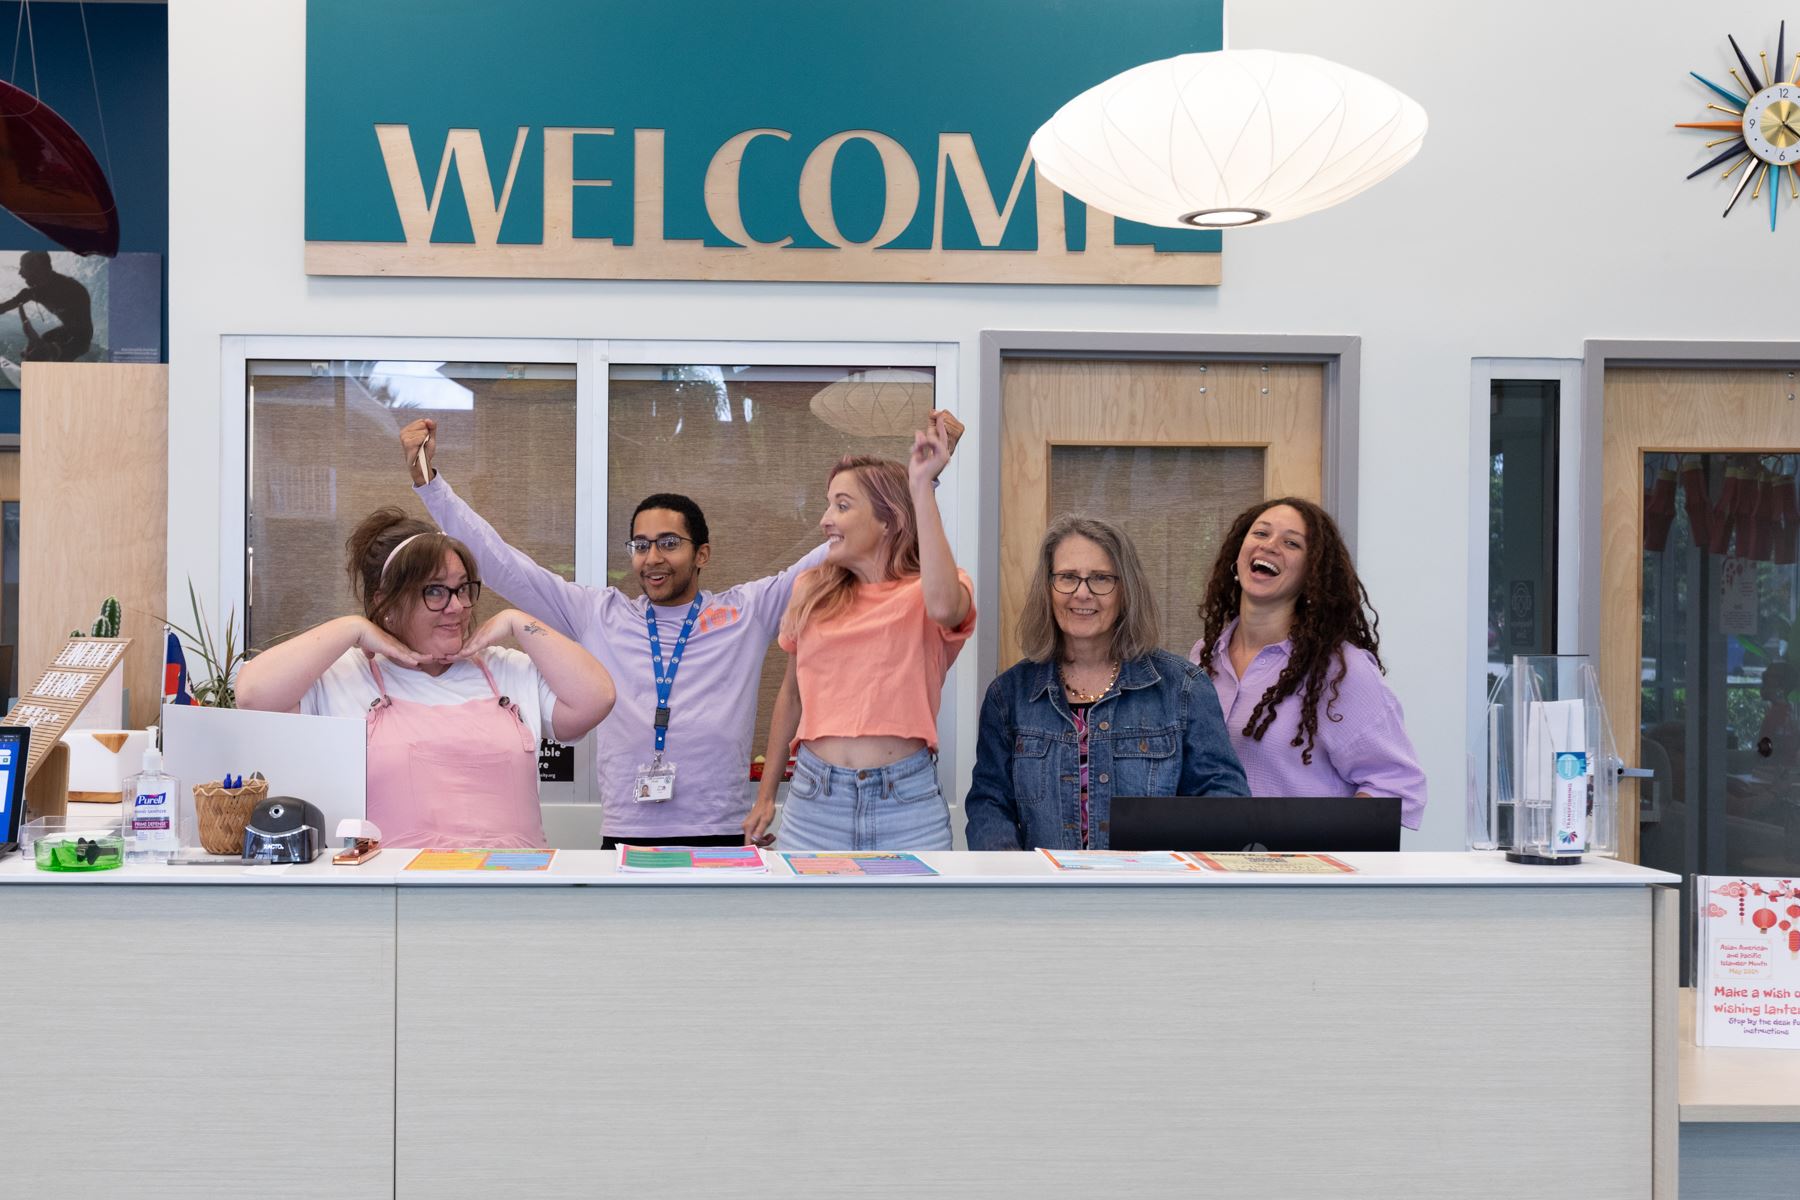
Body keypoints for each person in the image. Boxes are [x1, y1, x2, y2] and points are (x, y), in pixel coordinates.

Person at [400, 412, 961, 849]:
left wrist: (924, 481)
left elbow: (852, 535)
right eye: (640, 545)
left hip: (723, 830)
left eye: (669, 543)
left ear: (704, 554)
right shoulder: (599, 613)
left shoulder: (746, 611)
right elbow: (502, 564)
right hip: (627, 831)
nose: (652, 558)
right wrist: (432, 488)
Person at [236, 508, 616, 849]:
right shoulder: (345, 676)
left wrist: (519, 622)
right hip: (395, 909)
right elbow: (253, 695)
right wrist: (352, 626)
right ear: (387, 602)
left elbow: (596, 697)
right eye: (435, 591)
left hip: (511, 900)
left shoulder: (506, 670)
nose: (458, 606)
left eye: (463, 588)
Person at [745, 416, 974, 851]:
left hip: (907, 802)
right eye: (829, 505)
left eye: (842, 506)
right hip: (814, 800)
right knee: (809, 922)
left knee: (915, 921)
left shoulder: (929, 592)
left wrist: (922, 484)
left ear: (888, 521)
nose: (825, 519)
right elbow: (791, 696)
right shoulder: (811, 590)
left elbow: (946, 606)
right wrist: (766, 795)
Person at [964, 515, 1247, 851]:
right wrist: (1014, 878)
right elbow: (989, 804)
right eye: (1068, 577)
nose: (1082, 593)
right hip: (1043, 896)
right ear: (1048, 588)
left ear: (1125, 590)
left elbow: (1224, 801)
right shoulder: (1009, 695)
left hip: (1150, 895)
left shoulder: (1183, 688)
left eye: (1100, 578)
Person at [1190, 497, 1428, 828]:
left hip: (1301, 874)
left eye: (1291, 543)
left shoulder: (1340, 671)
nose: (1270, 546)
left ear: (1311, 573)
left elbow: (1398, 787)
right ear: (1237, 554)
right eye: (1260, 534)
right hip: (1214, 870)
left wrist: (1320, 843)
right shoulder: (1203, 657)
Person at [0, 250, 93, 361]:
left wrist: (54, 350)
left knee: (40, 354)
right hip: (66, 330)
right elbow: (6, 306)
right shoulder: (34, 292)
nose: (20, 273)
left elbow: (82, 333)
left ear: (38, 268)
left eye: (23, 267)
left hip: (81, 339)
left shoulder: (73, 290)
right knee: (37, 345)